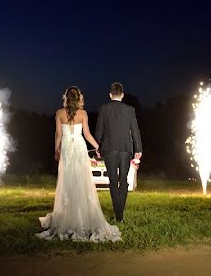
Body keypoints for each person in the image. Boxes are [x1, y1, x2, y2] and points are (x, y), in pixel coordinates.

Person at [36, 86, 121, 242]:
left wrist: (56, 150)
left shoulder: (59, 113)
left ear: (67, 98)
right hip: (79, 147)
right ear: (78, 98)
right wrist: (97, 146)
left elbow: (58, 135)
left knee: (68, 182)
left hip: (67, 149)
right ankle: (79, 216)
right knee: (81, 181)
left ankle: (70, 216)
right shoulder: (82, 113)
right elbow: (86, 134)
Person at [95, 81, 143, 223]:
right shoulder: (130, 110)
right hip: (125, 149)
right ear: (122, 95)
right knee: (123, 181)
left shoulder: (103, 109)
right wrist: (138, 149)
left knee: (113, 181)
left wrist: (97, 146)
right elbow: (135, 131)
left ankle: (118, 213)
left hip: (109, 149)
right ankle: (119, 214)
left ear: (110, 95)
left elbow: (99, 131)